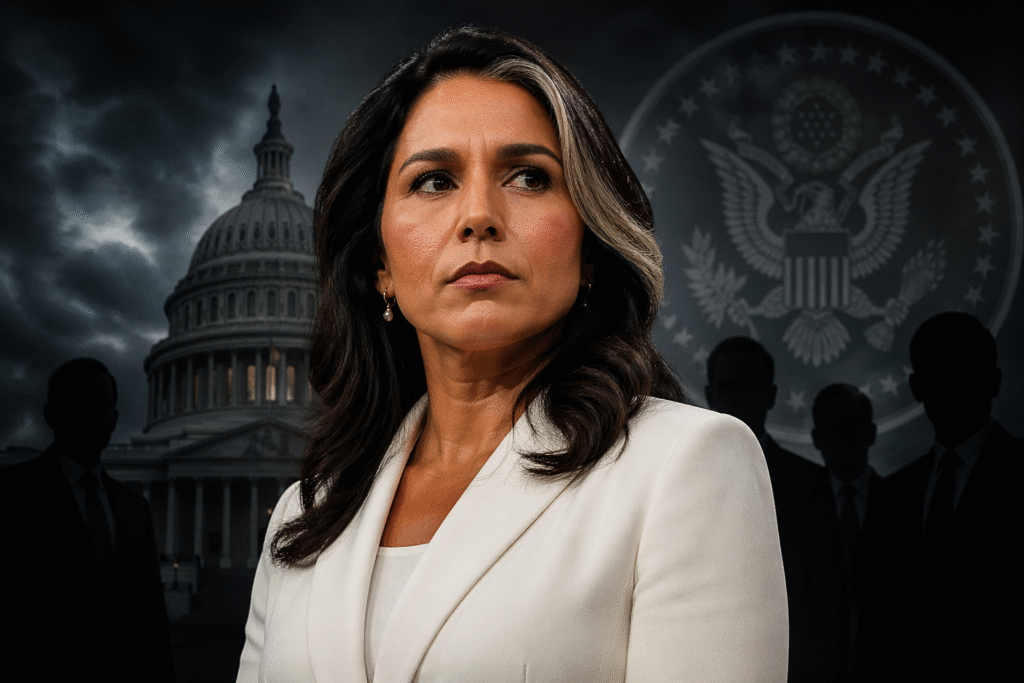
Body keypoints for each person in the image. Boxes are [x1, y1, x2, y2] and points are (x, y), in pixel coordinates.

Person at [236, 26, 787, 682]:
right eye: (434, 180)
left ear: (589, 245)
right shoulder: (303, 517)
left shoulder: (687, 467)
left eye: (529, 176)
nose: (479, 216)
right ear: (380, 264)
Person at [861, 312, 1022, 681]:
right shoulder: (892, 495)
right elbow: (878, 619)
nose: (951, 385)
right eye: (938, 372)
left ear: (992, 380)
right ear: (918, 388)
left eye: (963, 369)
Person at [0, 357, 174, 682]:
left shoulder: (135, 508)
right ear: (51, 415)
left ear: (115, 418)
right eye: (78, 404)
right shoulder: (11, 497)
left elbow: (153, 621)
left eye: (102, 406)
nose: (92, 417)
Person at [705, 336, 845, 683]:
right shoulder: (680, 477)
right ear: (710, 396)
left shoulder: (810, 484)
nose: (737, 399)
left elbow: (826, 603)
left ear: (770, 395)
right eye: (728, 387)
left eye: (749, 387)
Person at [811, 383, 883, 681]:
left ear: (871, 432)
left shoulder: (903, 501)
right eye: (830, 427)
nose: (841, 437)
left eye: (850, 425)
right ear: (816, 438)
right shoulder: (801, 511)